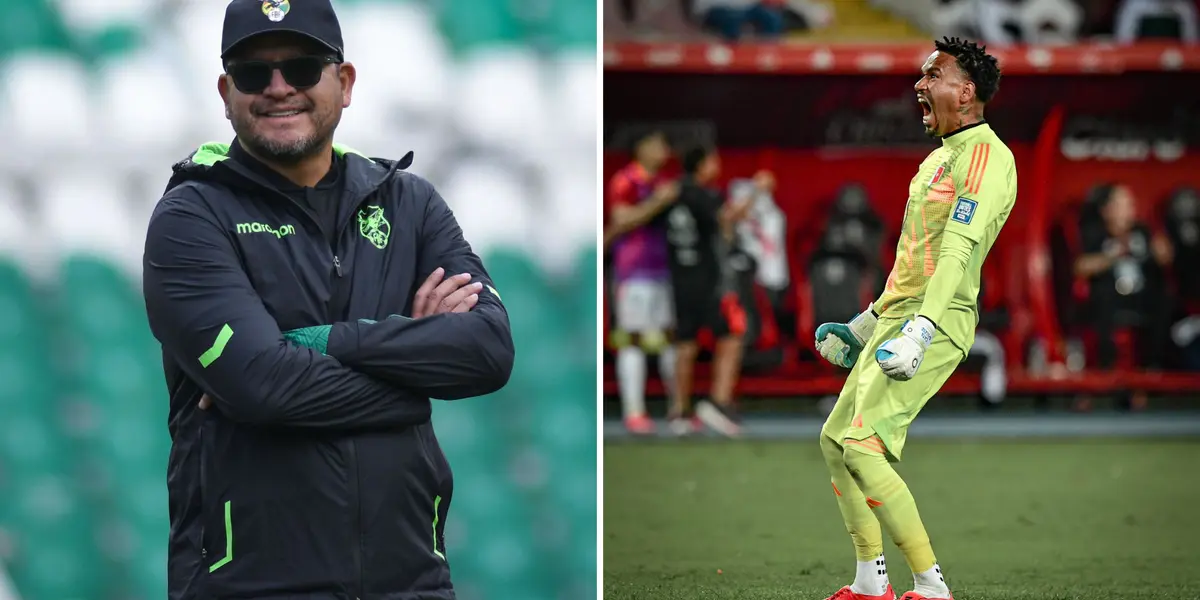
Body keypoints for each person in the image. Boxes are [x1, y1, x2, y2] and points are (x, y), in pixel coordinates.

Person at [141, 1, 514, 598]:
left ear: (344, 82)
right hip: (252, 586)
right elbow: (262, 386)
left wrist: (320, 343)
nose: (278, 88)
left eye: (302, 67)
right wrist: (414, 376)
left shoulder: (410, 203)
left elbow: (489, 351)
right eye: (253, 73)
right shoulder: (191, 215)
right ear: (226, 93)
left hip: (412, 581)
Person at [813, 37, 1014, 600]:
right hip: (897, 318)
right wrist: (866, 322)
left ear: (965, 92)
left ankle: (931, 587)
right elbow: (913, 260)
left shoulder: (987, 157)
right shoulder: (937, 159)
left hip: (937, 319)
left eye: (933, 75)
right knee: (836, 441)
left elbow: (956, 252)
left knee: (863, 446)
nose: (919, 85)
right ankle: (869, 582)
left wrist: (920, 332)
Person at [664, 146, 753, 436]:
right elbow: (726, 219)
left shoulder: (670, 193)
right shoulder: (704, 194)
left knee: (685, 343)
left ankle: (679, 412)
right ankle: (718, 402)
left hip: (679, 277)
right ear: (701, 165)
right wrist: (757, 191)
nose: (717, 165)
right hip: (708, 279)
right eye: (712, 161)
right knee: (732, 334)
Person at [605, 130, 679, 435]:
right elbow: (621, 219)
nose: (664, 150)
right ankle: (634, 412)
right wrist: (658, 203)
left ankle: (678, 410)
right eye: (658, 145)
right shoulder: (626, 180)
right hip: (633, 272)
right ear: (641, 148)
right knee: (633, 339)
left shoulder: (663, 182)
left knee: (669, 338)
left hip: (663, 270)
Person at [1074, 184, 1173, 374]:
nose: (1129, 210)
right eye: (1121, 204)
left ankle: (1153, 366)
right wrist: (1113, 255)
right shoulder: (1095, 234)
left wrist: (1161, 250)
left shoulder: (1142, 231)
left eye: (1130, 204)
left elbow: (1165, 257)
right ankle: (1106, 367)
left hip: (1141, 295)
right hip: (1109, 296)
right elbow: (1081, 266)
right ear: (1106, 209)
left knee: (1165, 302)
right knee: (1102, 299)